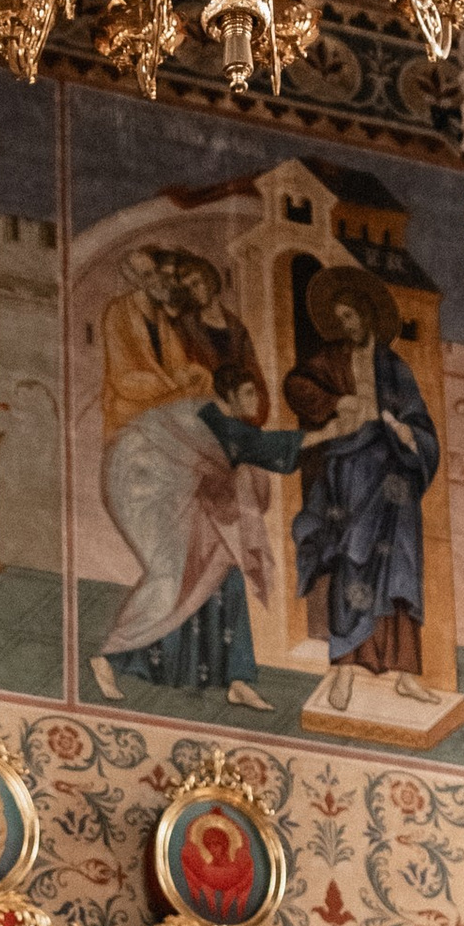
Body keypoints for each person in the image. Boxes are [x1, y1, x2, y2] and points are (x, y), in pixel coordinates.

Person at [91, 246, 281, 706]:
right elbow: (130, 380)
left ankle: (236, 678)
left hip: (184, 464)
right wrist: (184, 385)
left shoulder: (172, 324)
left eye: (160, 273)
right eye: (146, 272)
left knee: (222, 563)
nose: (158, 280)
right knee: (172, 567)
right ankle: (111, 656)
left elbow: (191, 376)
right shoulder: (122, 316)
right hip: (143, 461)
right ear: (132, 275)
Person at [284, 268, 441, 714]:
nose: (348, 326)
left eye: (352, 316)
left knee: (401, 568)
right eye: (341, 319)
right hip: (351, 470)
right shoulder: (333, 358)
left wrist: (410, 435)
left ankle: (407, 675)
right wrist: (338, 404)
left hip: (396, 477)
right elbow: (297, 384)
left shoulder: (394, 367)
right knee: (353, 558)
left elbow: (420, 423)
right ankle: (345, 668)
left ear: (368, 315)